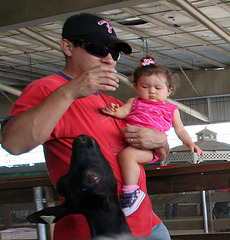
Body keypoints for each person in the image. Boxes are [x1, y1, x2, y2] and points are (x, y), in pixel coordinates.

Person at [1, 13, 171, 240]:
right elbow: (13, 143)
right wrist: (70, 90)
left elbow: (160, 154)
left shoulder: (113, 103)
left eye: (114, 52)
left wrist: (161, 141)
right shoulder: (48, 89)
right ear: (68, 47)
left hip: (148, 225)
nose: (109, 59)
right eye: (98, 48)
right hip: (95, 231)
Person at [102, 57, 204, 217]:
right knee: (127, 156)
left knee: (126, 156)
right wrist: (113, 110)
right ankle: (132, 189)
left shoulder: (171, 109)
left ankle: (131, 192)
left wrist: (190, 143)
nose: (152, 92)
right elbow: (121, 113)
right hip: (132, 144)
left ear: (169, 90)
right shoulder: (133, 102)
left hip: (151, 149)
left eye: (158, 88)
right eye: (145, 87)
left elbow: (180, 130)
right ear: (136, 87)